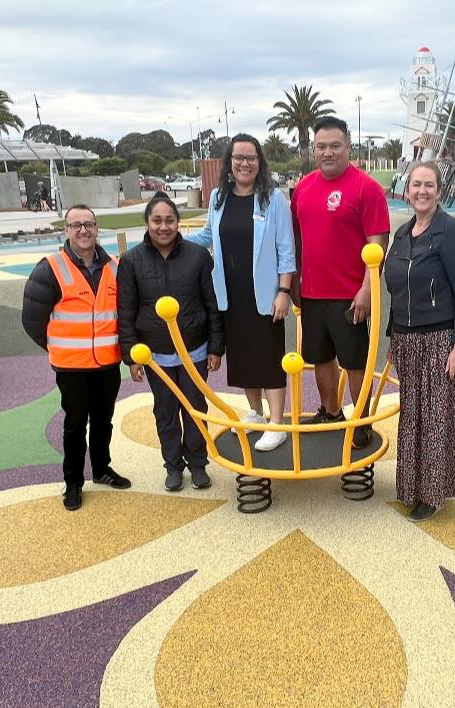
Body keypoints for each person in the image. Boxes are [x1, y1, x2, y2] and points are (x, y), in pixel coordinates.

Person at [185, 134, 296, 451]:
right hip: (230, 294)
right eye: (239, 158)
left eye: (251, 158)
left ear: (260, 163)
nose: (245, 164)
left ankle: (277, 423)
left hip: (265, 295)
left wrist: (284, 291)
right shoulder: (219, 197)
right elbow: (207, 235)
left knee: (268, 358)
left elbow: (286, 251)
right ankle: (256, 414)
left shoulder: (273, 199)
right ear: (229, 163)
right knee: (244, 357)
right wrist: (169, 239)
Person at [383, 161, 455, 521]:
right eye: (415, 185)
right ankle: (413, 486)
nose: (421, 191)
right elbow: (398, 290)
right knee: (413, 419)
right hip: (408, 342)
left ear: (439, 191)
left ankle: (434, 493)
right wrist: (394, 336)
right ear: (407, 191)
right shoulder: (403, 234)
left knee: (437, 420)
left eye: (429, 185)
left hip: (440, 341)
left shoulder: (452, 232)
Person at [22, 204, 131, 511]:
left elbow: (123, 313)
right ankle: (72, 482)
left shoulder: (114, 267)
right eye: (76, 225)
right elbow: (32, 319)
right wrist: (59, 348)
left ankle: (101, 469)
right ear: (66, 231)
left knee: (103, 421)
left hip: (107, 364)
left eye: (89, 224)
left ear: (97, 229)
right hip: (72, 367)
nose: (84, 230)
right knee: (74, 425)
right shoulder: (51, 268)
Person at [291, 116, 390, 448]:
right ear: (313, 149)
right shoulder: (302, 188)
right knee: (320, 358)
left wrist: (366, 288)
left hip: (350, 296)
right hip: (312, 294)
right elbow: (297, 239)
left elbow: (377, 241)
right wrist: (294, 281)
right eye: (321, 147)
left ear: (348, 147)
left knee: (354, 360)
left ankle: (359, 421)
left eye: (335, 146)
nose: (328, 152)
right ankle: (331, 412)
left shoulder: (366, 188)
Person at [118, 193, 224, 492]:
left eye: (169, 220)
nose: (163, 227)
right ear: (147, 223)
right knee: (165, 411)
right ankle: (173, 467)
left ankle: (198, 464)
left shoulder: (198, 256)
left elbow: (211, 303)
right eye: (157, 221)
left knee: (194, 408)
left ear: (178, 223)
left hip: (195, 350)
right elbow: (126, 310)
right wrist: (131, 355)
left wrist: (216, 347)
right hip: (155, 355)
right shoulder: (131, 262)